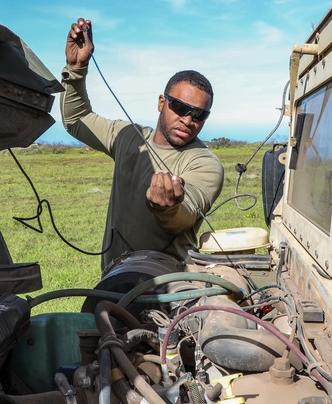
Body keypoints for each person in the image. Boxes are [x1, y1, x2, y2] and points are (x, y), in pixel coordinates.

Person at [59, 18, 224, 271]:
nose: (188, 120)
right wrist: (76, 67)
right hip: (114, 277)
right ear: (161, 103)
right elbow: (76, 119)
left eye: (200, 115)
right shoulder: (127, 137)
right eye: (180, 107)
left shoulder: (205, 163)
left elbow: (186, 214)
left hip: (172, 288)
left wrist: (167, 208)